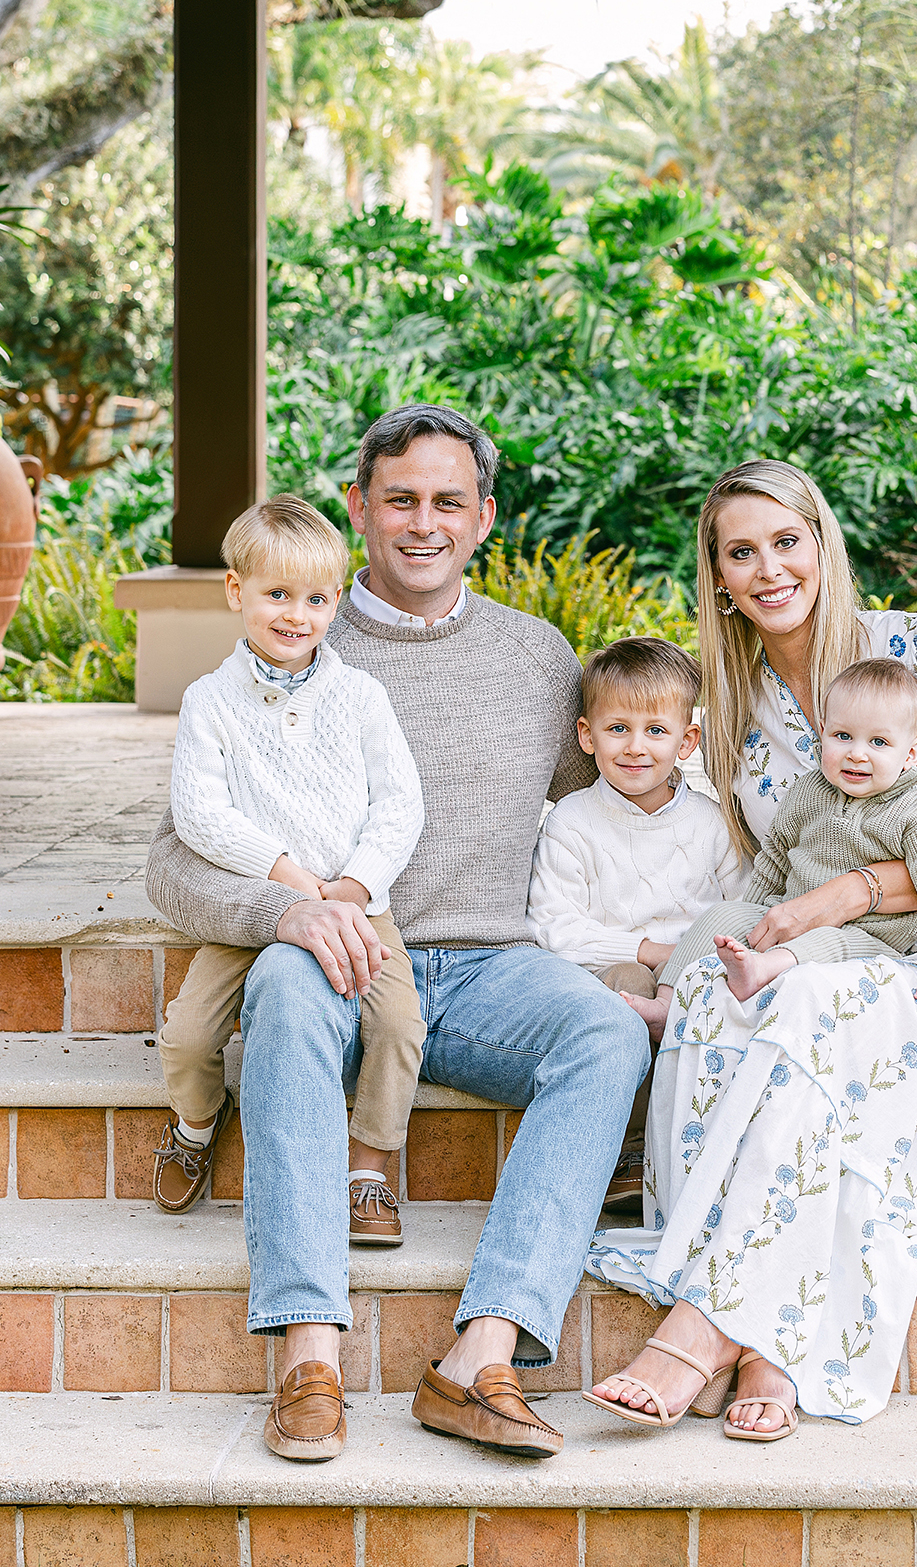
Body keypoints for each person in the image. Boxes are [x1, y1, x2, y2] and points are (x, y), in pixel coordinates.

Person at [146, 404, 652, 1465]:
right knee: (287, 988)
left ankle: (483, 1355)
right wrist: (290, 912)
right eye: (402, 499)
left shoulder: (536, 658)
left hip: (488, 965)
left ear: (484, 519)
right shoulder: (285, 642)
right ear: (359, 508)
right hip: (328, 959)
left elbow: (607, 805)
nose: (425, 523)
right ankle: (308, 1355)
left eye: (449, 502)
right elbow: (174, 861)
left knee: (606, 1035)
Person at [586, 457, 917, 1442]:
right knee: (730, 1000)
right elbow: (755, 876)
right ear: (718, 575)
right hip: (812, 953)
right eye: (741, 552)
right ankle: (768, 1351)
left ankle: (701, 1332)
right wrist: (672, 958)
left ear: (822, 542)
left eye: (786, 541)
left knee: (794, 1007)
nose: (768, 569)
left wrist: (854, 891)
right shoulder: (730, 705)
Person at [153, 496, 427, 1284]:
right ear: (236, 591)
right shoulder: (212, 699)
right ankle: (198, 1125)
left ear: (337, 601)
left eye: (315, 598)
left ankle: (368, 1170)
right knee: (187, 1035)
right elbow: (200, 813)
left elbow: (400, 803)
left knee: (401, 1025)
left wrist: (351, 886)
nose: (297, 615)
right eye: (277, 595)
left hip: (359, 903)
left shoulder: (361, 698)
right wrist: (289, 882)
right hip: (259, 911)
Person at [624, 654, 917, 1035]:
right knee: (720, 918)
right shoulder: (810, 791)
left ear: (910, 754)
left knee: (828, 940)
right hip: (791, 912)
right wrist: (752, 919)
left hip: (869, 936)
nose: (857, 753)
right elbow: (775, 856)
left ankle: (760, 971)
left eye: (878, 742)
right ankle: (666, 1002)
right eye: (843, 736)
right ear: (822, 732)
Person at [526, 636, 743, 1204]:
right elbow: (554, 928)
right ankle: (630, 1147)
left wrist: (692, 961)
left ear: (687, 740)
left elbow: (743, 910)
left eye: (655, 729)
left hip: (701, 976)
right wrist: (650, 953)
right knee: (631, 985)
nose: (635, 747)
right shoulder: (571, 822)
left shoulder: (712, 824)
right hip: (605, 984)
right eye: (617, 728)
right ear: (586, 735)